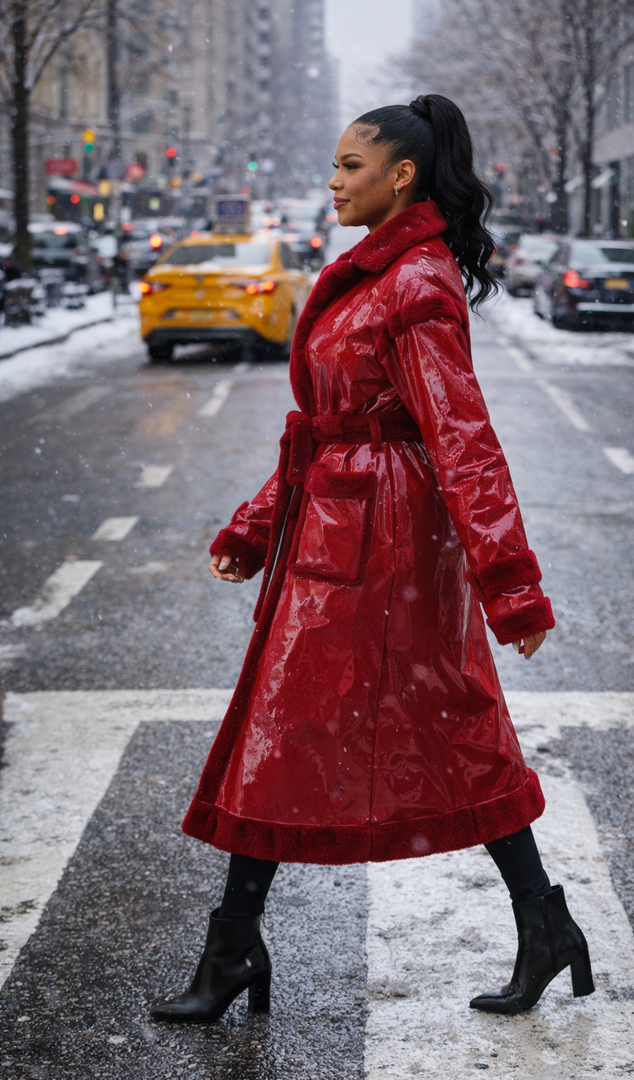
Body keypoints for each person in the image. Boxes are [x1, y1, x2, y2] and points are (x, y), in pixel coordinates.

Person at [150, 94, 593, 1025]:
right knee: (343, 726)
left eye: (351, 165)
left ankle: (236, 949)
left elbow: (462, 437)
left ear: (401, 177)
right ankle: (243, 946)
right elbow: (323, 430)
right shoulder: (373, 274)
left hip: (385, 548)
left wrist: (511, 585)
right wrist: (258, 523)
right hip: (338, 535)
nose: (333, 180)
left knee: (354, 726)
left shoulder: (415, 282)